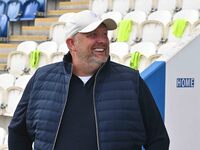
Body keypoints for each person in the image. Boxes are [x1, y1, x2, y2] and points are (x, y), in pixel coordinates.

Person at [8, 10, 169, 150]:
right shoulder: (42, 79)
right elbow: (18, 133)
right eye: (92, 35)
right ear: (72, 44)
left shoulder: (131, 81)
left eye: (104, 34)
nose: (102, 40)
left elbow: (158, 139)